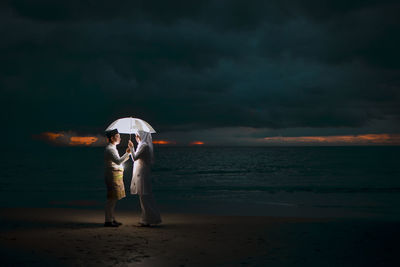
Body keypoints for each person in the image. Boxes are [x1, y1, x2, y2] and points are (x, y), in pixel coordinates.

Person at [128, 131, 162, 226]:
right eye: (135, 136)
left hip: (142, 173)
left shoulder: (144, 146)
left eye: (137, 136)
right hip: (140, 173)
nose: (136, 138)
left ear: (142, 136)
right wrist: (132, 149)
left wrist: (131, 147)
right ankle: (146, 219)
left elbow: (134, 158)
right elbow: (134, 157)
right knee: (143, 196)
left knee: (144, 196)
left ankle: (148, 219)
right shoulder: (141, 145)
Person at [104, 129, 131, 227]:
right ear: (112, 138)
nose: (120, 138)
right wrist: (127, 153)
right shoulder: (110, 149)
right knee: (111, 199)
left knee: (114, 198)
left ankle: (112, 219)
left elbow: (118, 161)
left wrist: (127, 153)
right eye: (118, 136)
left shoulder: (113, 148)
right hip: (112, 176)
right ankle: (108, 221)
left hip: (115, 175)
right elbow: (118, 161)